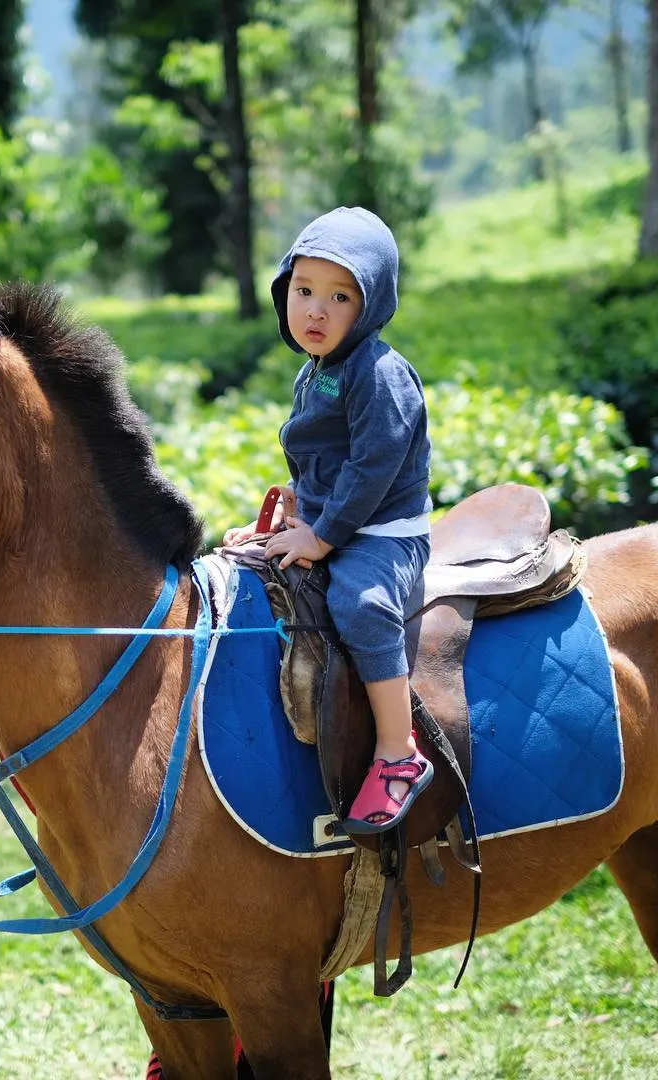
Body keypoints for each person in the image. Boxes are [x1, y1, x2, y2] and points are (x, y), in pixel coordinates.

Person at [223, 206, 433, 834]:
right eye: (304, 290)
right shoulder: (317, 370)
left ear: (369, 306)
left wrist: (320, 533)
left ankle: (399, 751)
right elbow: (326, 459)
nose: (315, 310)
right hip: (336, 517)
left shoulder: (380, 374)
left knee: (362, 604)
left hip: (383, 532)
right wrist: (296, 502)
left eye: (339, 297)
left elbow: (372, 469)